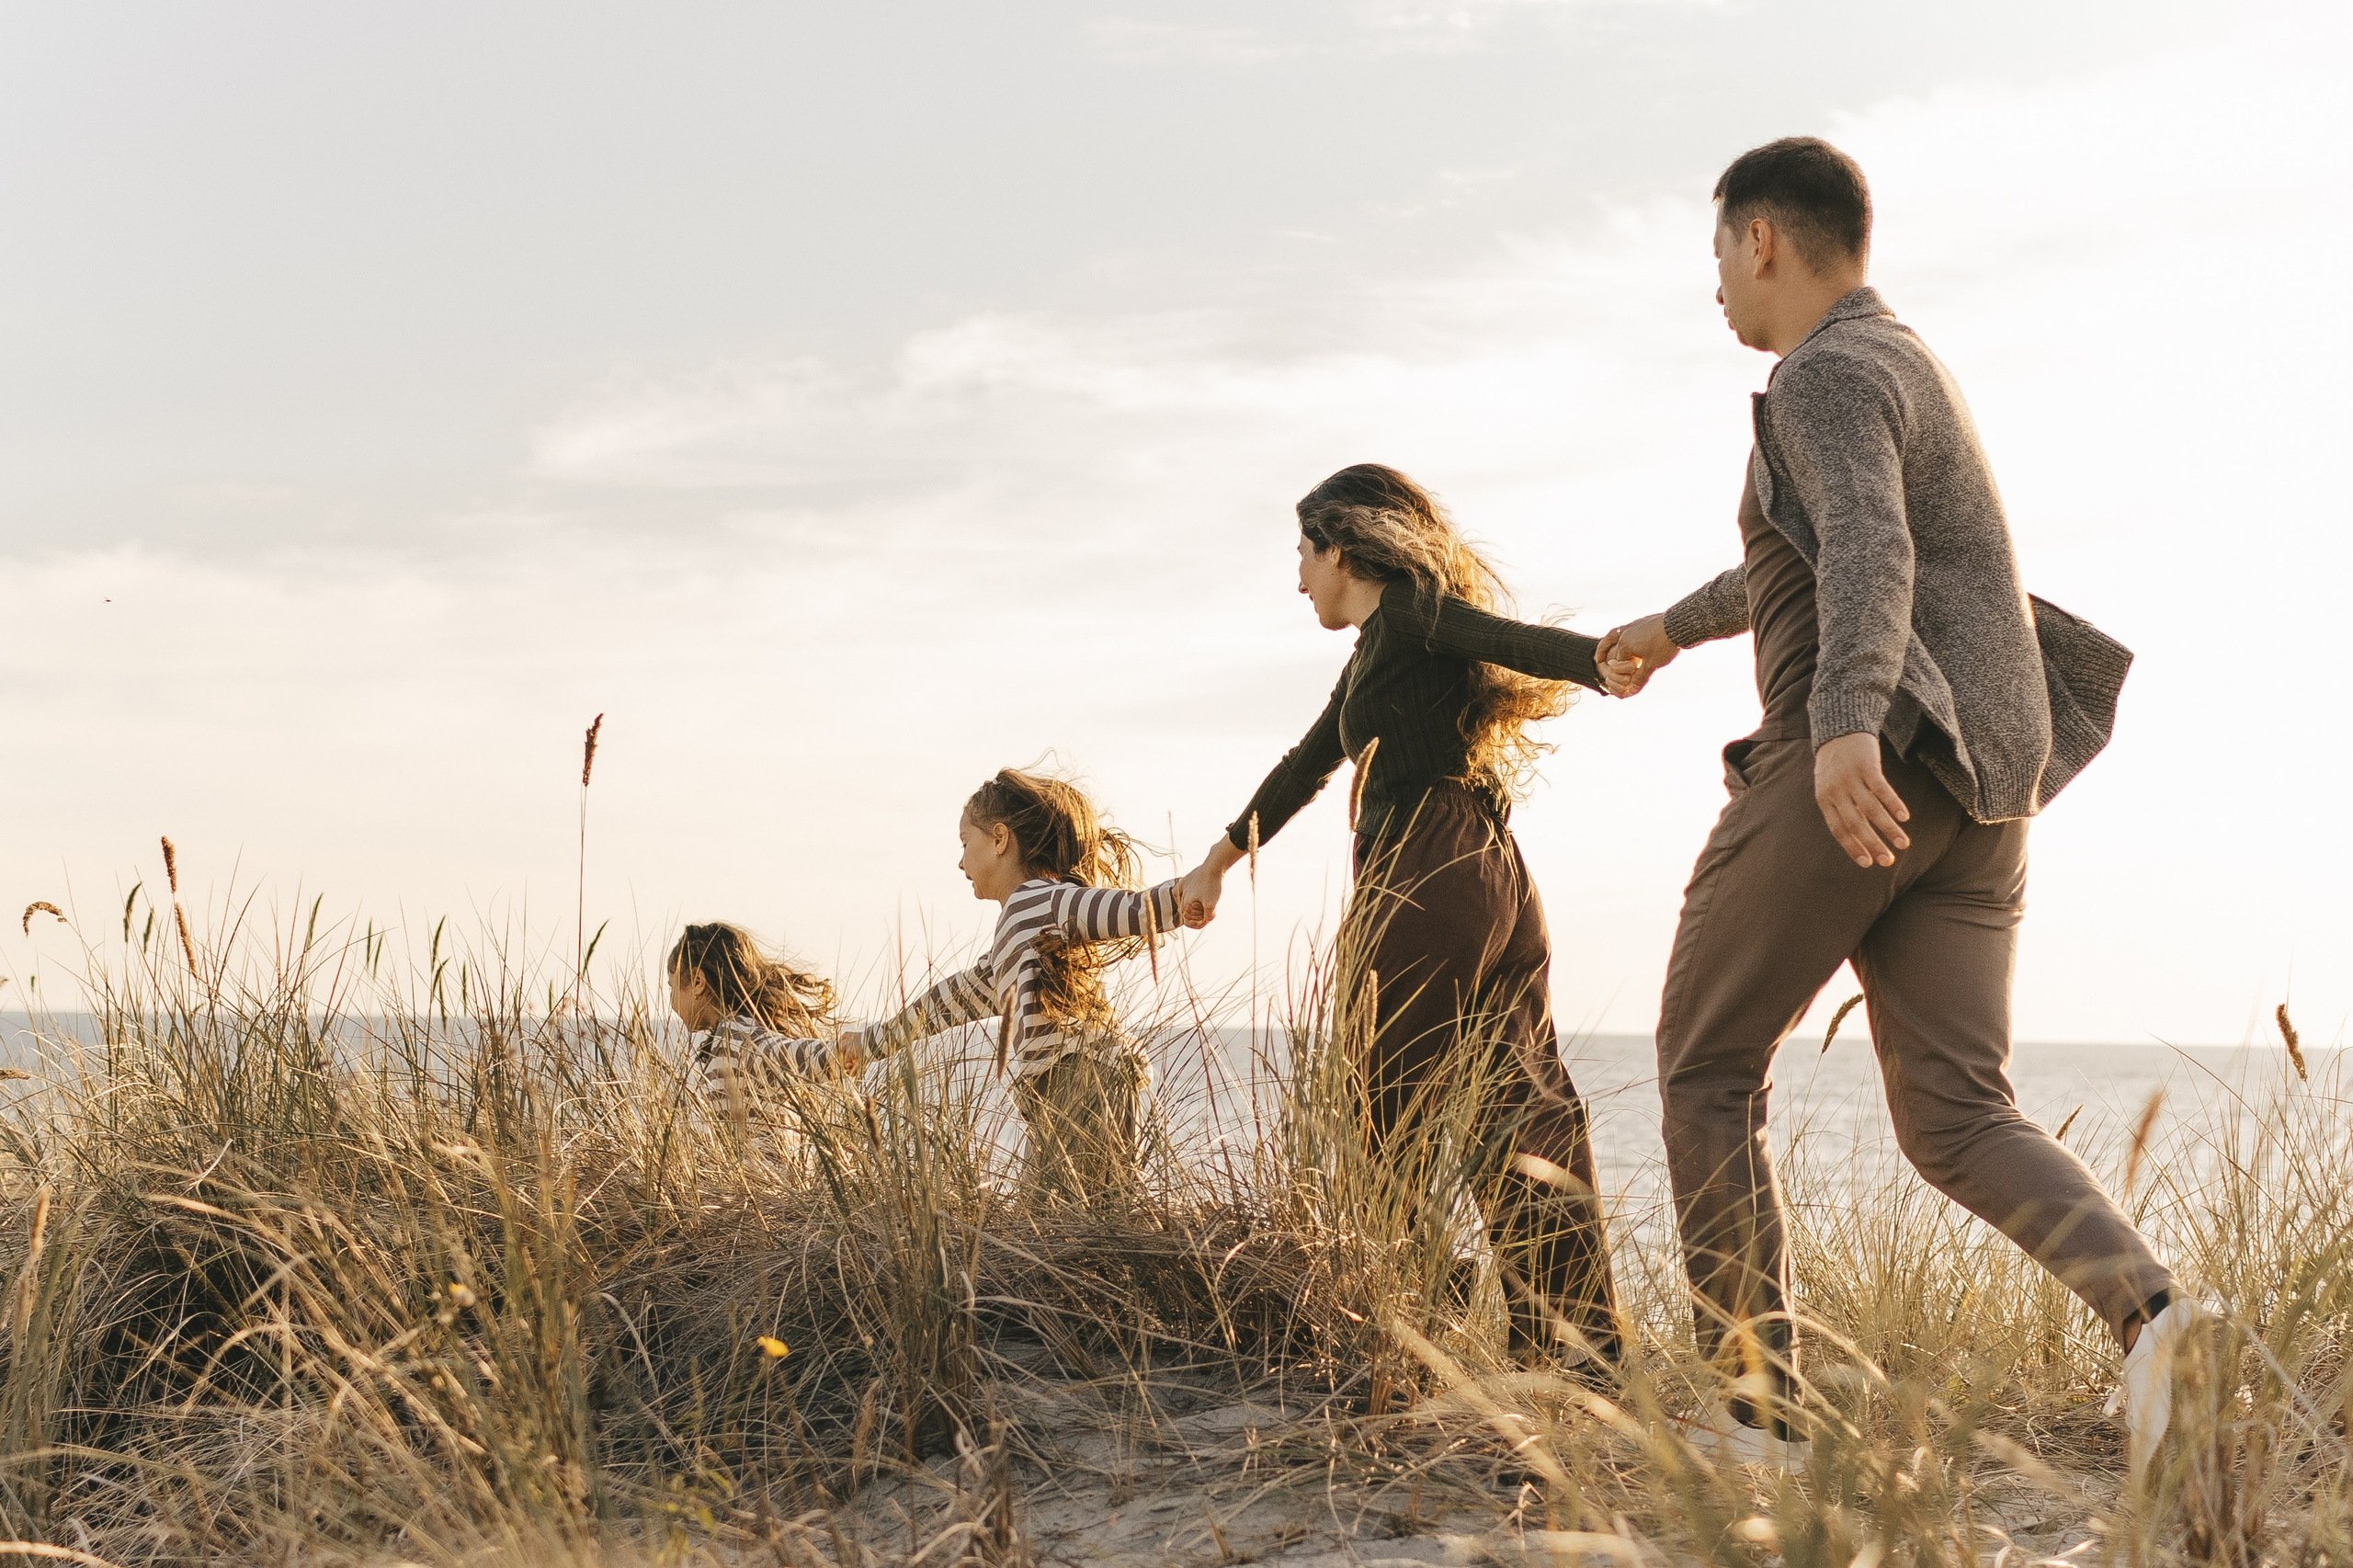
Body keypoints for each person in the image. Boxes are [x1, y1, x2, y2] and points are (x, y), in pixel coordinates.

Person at [1597, 136, 2194, 1468]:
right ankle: (2158, 1319)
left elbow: (1872, 546)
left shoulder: (1818, 375)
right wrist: (1670, 627)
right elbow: (1818, 544)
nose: (1714, 293)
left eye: (1715, 257)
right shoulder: (1905, 360)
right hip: (1987, 784)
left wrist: (1844, 724)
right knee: (1957, 1112)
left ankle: (1764, 1416)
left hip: (1868, 767)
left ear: (1765, 238)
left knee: (1702, 1066)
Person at [1177, 463, 1623, 1374]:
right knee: (1518, 1106)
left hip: (1428, 865)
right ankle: (1575, 1355)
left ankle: (1403, 1327)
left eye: (1303, 553)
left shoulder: (1413, 613)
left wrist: (1600, 662)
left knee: (1384, 1100)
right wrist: (1215, 864)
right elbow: (1302, 768)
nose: (1297, 576)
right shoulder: (1378, 649)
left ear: (1340, 548)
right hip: (1489, 869)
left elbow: (1506, 637)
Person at [701, 767, 1184, 1203]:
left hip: (1082, 1081)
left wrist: (1195, 887)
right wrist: (865, 1045)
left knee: (1071, 1227)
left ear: (999, 839)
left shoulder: (1034, 901)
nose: (959, 863)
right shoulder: (1013, 941)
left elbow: (1126, 910)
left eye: (963, 843)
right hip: (1067, 1089)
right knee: (1068, 1222)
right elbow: (940, 1006)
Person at [666, 921, 846, 1127]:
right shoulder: (725, 1040)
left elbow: (791, 1055)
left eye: (673, 987)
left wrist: (844, 1050)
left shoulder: (739, 1039)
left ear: (698, 982)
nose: (671, 1001)